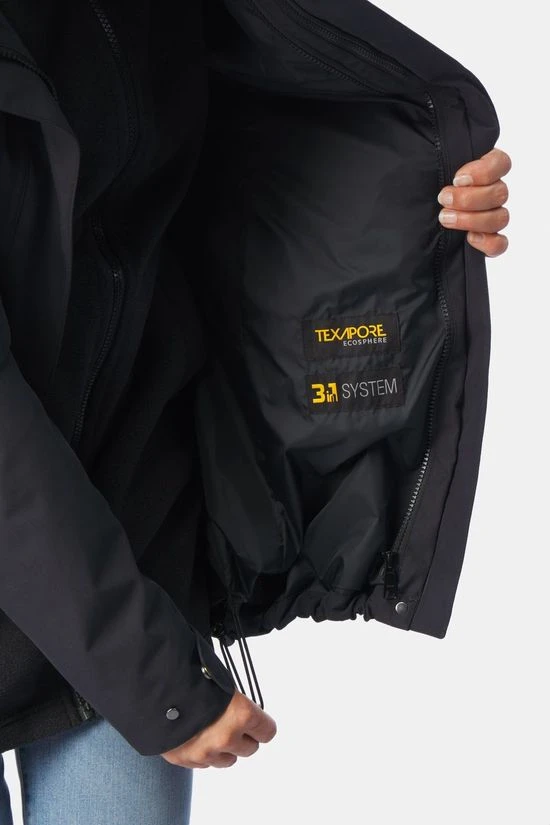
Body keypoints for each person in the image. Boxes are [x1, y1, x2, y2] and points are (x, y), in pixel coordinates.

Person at [0, 1, 511, 823]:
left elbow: (232, 173)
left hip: (131, 539)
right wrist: (147, 672)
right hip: (105, 609)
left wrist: (419, 190)